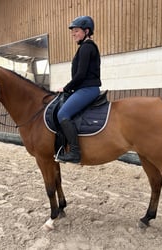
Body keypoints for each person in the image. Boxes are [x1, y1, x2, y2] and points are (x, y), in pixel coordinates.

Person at [56, 16, 101, 163]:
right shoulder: (84, 47)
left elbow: (81, 75)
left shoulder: (87, 47)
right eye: (72, 31)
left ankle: (75, 152)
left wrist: (66, 88)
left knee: (63, 114)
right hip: (84, 88)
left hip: (88, 89)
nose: (73, 34)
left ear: (86, 31)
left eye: (76, 31)